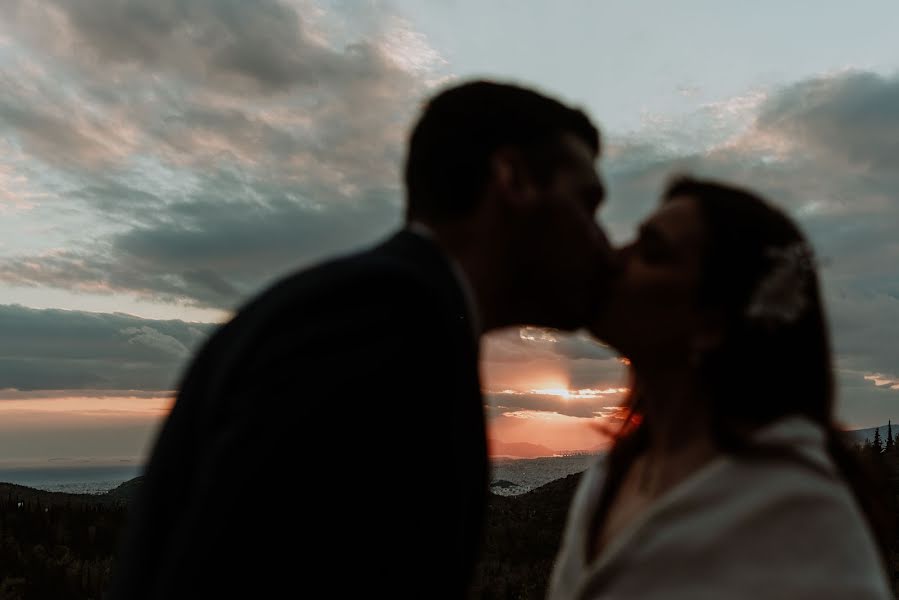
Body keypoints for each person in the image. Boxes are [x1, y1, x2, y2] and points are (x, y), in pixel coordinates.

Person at [110, 81, 614, 599]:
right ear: (514, 179)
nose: (603, 242)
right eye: (588, 203)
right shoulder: (386, 318)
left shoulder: (384, 308)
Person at [548, 177, 892, 599]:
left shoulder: (795, 511)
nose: (615, 257)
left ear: (711, 323)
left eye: (652, 252)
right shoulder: (617, 471)